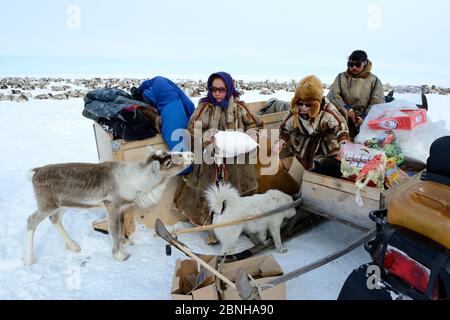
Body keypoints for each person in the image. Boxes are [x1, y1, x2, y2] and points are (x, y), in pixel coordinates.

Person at [174, 72, 263, 240]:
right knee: (211, 194)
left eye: (222, 89)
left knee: (239, 193)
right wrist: (206, 138)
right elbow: (193, 130)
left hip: (237, 163)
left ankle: (243, 225)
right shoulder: (204, 108)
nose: (217, 93)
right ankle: (213, 227)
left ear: (229, 89)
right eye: (213, 89)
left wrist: (251, 135)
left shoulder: (240, 107)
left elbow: (255, 124)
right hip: (210, 162)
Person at [275, 75, 350, 177]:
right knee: (298, 167)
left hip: (326, 142)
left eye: (308, 105)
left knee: (326, 166)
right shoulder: (295, 111)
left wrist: (343, 144)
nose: (303, 107)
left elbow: (341, 128)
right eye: (300, 103)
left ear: (316, 102)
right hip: (303, 143)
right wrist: (281, 140)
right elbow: (285, 128)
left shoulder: (327, 111)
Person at [327, 50, 385, 138]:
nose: (354, 67)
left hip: (365, 120)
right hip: (342, 117)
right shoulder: (341, 77)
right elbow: (334, 95)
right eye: (351, 65)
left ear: (365, 63)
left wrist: (364, 117)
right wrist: (347, 109)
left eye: (357, 65)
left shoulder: (374, 80)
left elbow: (377, 101)